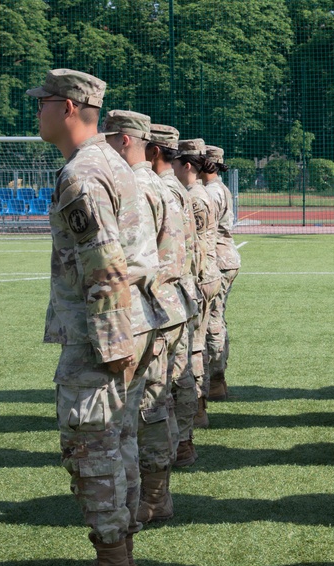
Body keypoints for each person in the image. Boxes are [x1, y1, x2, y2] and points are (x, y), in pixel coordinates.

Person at [29, 68, 145, 566]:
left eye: (43, 102)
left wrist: (113, 345)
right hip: (122, 330)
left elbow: (105, 265)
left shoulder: (82, 174)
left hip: (102, 337)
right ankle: (119, 555)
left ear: (70, 107)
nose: (37, 111)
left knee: (90, 444)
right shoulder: (110, 163)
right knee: (116, 441)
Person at [104, 110, 190, 523]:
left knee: (145, 410)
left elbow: (131, 260)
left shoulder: (136, 186)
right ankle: (156, 493)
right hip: (171, 302)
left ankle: (150, 498)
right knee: (157, 404)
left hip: (151, 304)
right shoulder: (161, 184)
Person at [149, 124, 204, 467]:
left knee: (160, 382)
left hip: (164, 294)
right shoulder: (179, 189)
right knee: (179, 372)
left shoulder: (157, 188)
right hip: (183, 290)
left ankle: (168, 449)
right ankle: (183, 441)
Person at [174, 139, 223, 433]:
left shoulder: (194, 197)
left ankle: (196, 409)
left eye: (176, 163)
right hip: (206, 273)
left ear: (188, 166)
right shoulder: (199, 193)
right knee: (195, 343)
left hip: (200, 275)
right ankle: (197, 405)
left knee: (193, 346)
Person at [201, 146, 241, 402]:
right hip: (224, 257)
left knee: (213, 321)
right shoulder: (219, 188)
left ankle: (215, 379)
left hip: (218, 259)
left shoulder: (211, 192)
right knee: (217, 318)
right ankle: (218, 377)